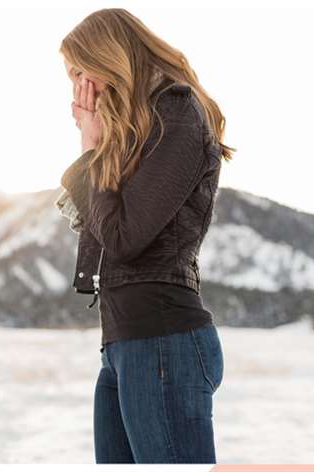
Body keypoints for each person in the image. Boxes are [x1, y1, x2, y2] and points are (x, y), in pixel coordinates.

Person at [56, 9, 230, 464]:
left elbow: (123, 238)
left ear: (107, 59)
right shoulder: (140, 132)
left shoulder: (178, 111)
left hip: (162, 344)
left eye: (79, 71)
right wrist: (98, 148)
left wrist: (92, 150)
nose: (77, 88)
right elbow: (102, 227)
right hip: (124, 345)